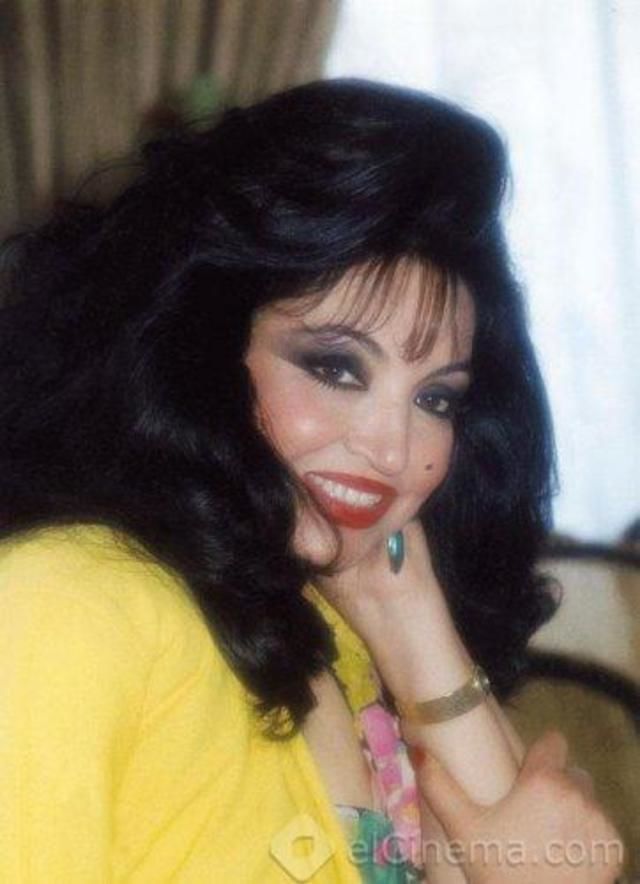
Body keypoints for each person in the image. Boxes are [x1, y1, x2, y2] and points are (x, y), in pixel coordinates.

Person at [0, 79, 623, 883]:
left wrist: (410, 618)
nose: (392, 450)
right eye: (335, 368)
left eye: (435, 399)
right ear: (201, 352)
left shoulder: (341, 636)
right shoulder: (64, 604)